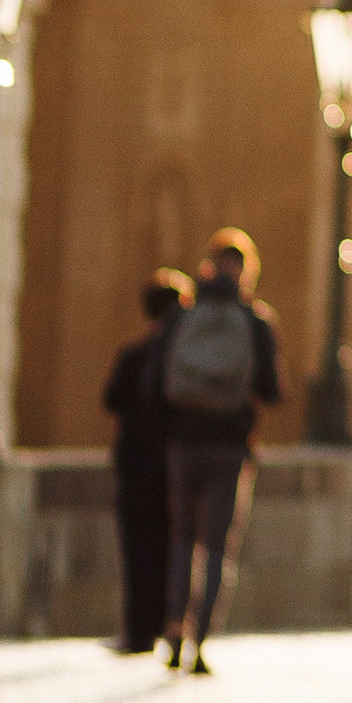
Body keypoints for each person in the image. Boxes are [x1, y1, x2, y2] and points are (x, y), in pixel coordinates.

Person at [159, 232, 282, 673]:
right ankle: (201, 638)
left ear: (207, 266)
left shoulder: (182, 314)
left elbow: (158, 380)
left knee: (180, 539)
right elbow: (271, 389)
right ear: (247, 272)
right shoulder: (255, 321)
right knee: (216, 545)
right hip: (230, 444)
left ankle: (173, 626)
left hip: (183, 441)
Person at [100, 272, 190, 651]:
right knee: (176, 544)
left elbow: (110, 399)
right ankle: (174, 625)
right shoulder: (183, 358)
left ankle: (139, 630)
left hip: (137, 464)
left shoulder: (134, 354)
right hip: (175, 462)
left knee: (138, 548)